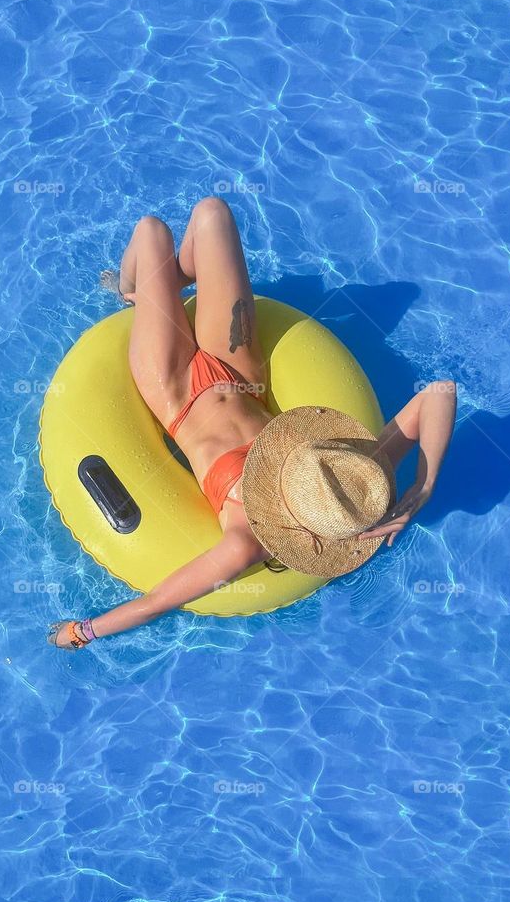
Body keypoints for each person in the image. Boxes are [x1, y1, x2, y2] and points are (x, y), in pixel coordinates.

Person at [49, 198, 456, 649]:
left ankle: (132, 291)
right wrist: (424, 485)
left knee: (151, 234)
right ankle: (173, 279)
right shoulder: (345, 475)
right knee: (212, 214)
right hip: (240, 374)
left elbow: (160, 599)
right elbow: (439, 393)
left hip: (176, 391)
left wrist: (82, 631)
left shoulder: (245, 542)